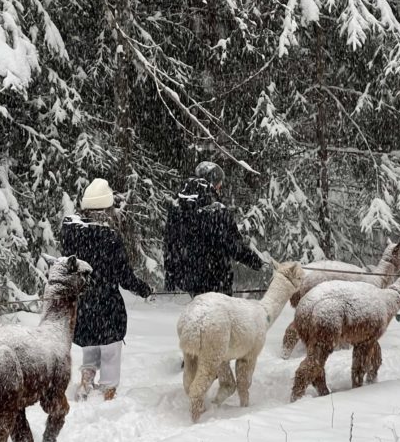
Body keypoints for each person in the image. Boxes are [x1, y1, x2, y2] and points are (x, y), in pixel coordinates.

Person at [61, 178, 153, 401]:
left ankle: (85, 383)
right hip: (107, 305)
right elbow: (124, 276)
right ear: (106, 208)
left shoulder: (70, 234)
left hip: (83, 304)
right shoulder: (110, 238)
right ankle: (107, 393)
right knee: (110, 351)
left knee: (90, 347)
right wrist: (144, 289)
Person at [163, 161, 263, 297]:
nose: (220, 187)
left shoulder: (178, 207)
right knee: (218, 317)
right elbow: (233, 245)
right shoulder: (217, 210)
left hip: (190, 279)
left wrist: (170, 273)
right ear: (212, 181)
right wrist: (255, 261)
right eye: (219, 183)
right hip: (217, 280)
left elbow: (169, 242)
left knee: (201, 313)